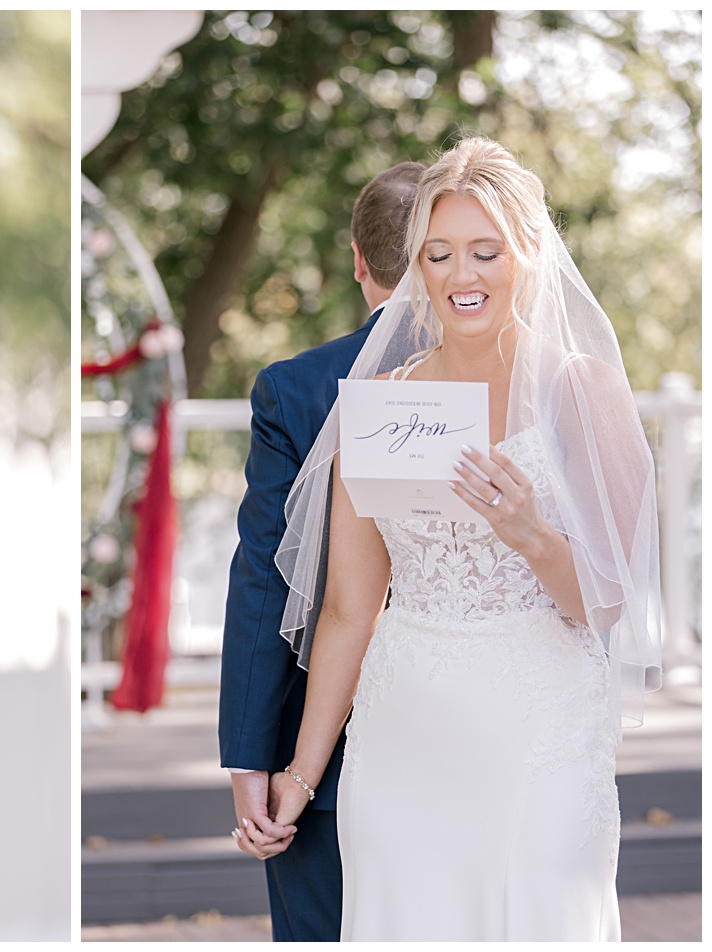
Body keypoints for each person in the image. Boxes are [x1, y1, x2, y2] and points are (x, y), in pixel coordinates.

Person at [267, 136, 662, 940]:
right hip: (405, 731)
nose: (461, 275)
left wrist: (532, 535)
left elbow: (608, 603)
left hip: (539, 733)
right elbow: (348, 608)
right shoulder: (377, 404)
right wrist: (302, 777)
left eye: (486, 251)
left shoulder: (580, 391)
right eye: (439, 254)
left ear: (527, 256)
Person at [217, 160, 423, 941]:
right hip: (488, 734)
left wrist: (251, 758)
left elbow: (266, 581)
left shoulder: (296, 389)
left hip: (324, 758)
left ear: (359, 259)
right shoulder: (522, 379)